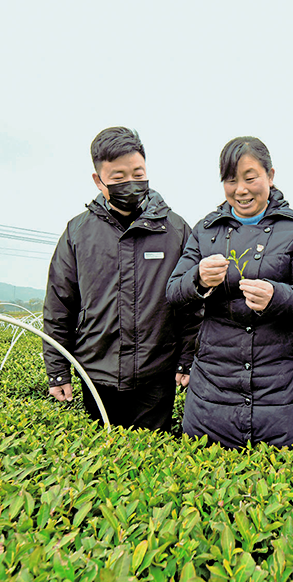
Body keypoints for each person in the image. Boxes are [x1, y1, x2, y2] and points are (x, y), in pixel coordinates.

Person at [166, 136, 293, 449]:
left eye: (250, 177)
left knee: (285, 489)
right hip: (213, 389)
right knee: (211, 489)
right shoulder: (206, 230)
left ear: (270, 176)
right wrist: (198, 279)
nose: (240, 189)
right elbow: (173, 291)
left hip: (282, 391)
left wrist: (277, 296)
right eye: (230, 180)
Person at [43, 126, 199, 431]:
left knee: (153, 462)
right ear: (98, 181)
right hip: (95, 371)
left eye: (138, 173)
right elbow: (59, 305)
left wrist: (187, 357)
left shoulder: (176, 230)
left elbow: (191, 304)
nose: (131, 183)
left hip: (156, 374)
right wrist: (58, 369)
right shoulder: (78, 233)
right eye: (118, 178)